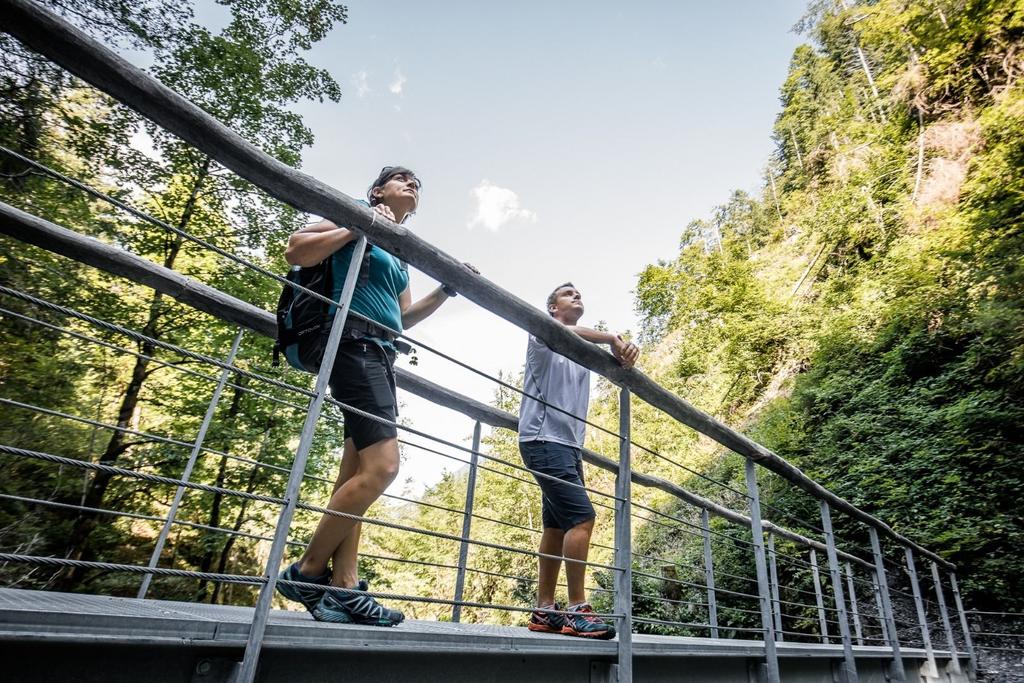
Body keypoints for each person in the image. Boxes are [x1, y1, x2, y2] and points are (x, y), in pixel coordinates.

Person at [277, 166, 475, 626]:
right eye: (401, 178)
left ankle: (344, 586)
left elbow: (403, 318)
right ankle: (306, 572)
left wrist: (447, 289)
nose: (413, 185)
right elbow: (297, 249)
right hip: (350, 342)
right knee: (384, 467)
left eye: (417, 183)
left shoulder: (398, 251)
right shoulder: (356, 214)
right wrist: (361, 224)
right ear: (377, 191)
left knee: (360, 473)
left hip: (380, 351)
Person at [519, 282, 638, 639]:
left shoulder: (585, 347)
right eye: (568, 294)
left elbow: (619, 368)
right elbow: (563, 334)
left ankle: (544, 610)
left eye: (579, 293)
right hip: (543, 438)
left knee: (557, 527)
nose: (577, 296)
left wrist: (624, 354)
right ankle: (577, 609)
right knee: (582, 518)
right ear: (553, 308)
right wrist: (611, 336)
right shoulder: (542, 332)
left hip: (566, 445)